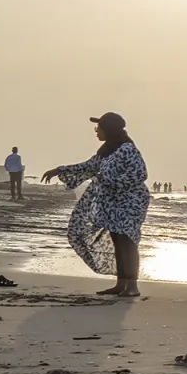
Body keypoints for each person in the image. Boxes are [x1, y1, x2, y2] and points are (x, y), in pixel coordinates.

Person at [41, 114, 149, 297]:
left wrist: (111, 181)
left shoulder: (127, 149)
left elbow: (139, 174)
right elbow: (87, 167)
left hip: (131, 202)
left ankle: (133, 286)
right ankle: (120, 284)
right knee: (117, 241)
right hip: (113, 203)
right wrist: (59, 170)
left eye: (99, 128)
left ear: (109, 129)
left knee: (127, 242)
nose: (96, 132)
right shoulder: (106, 150)